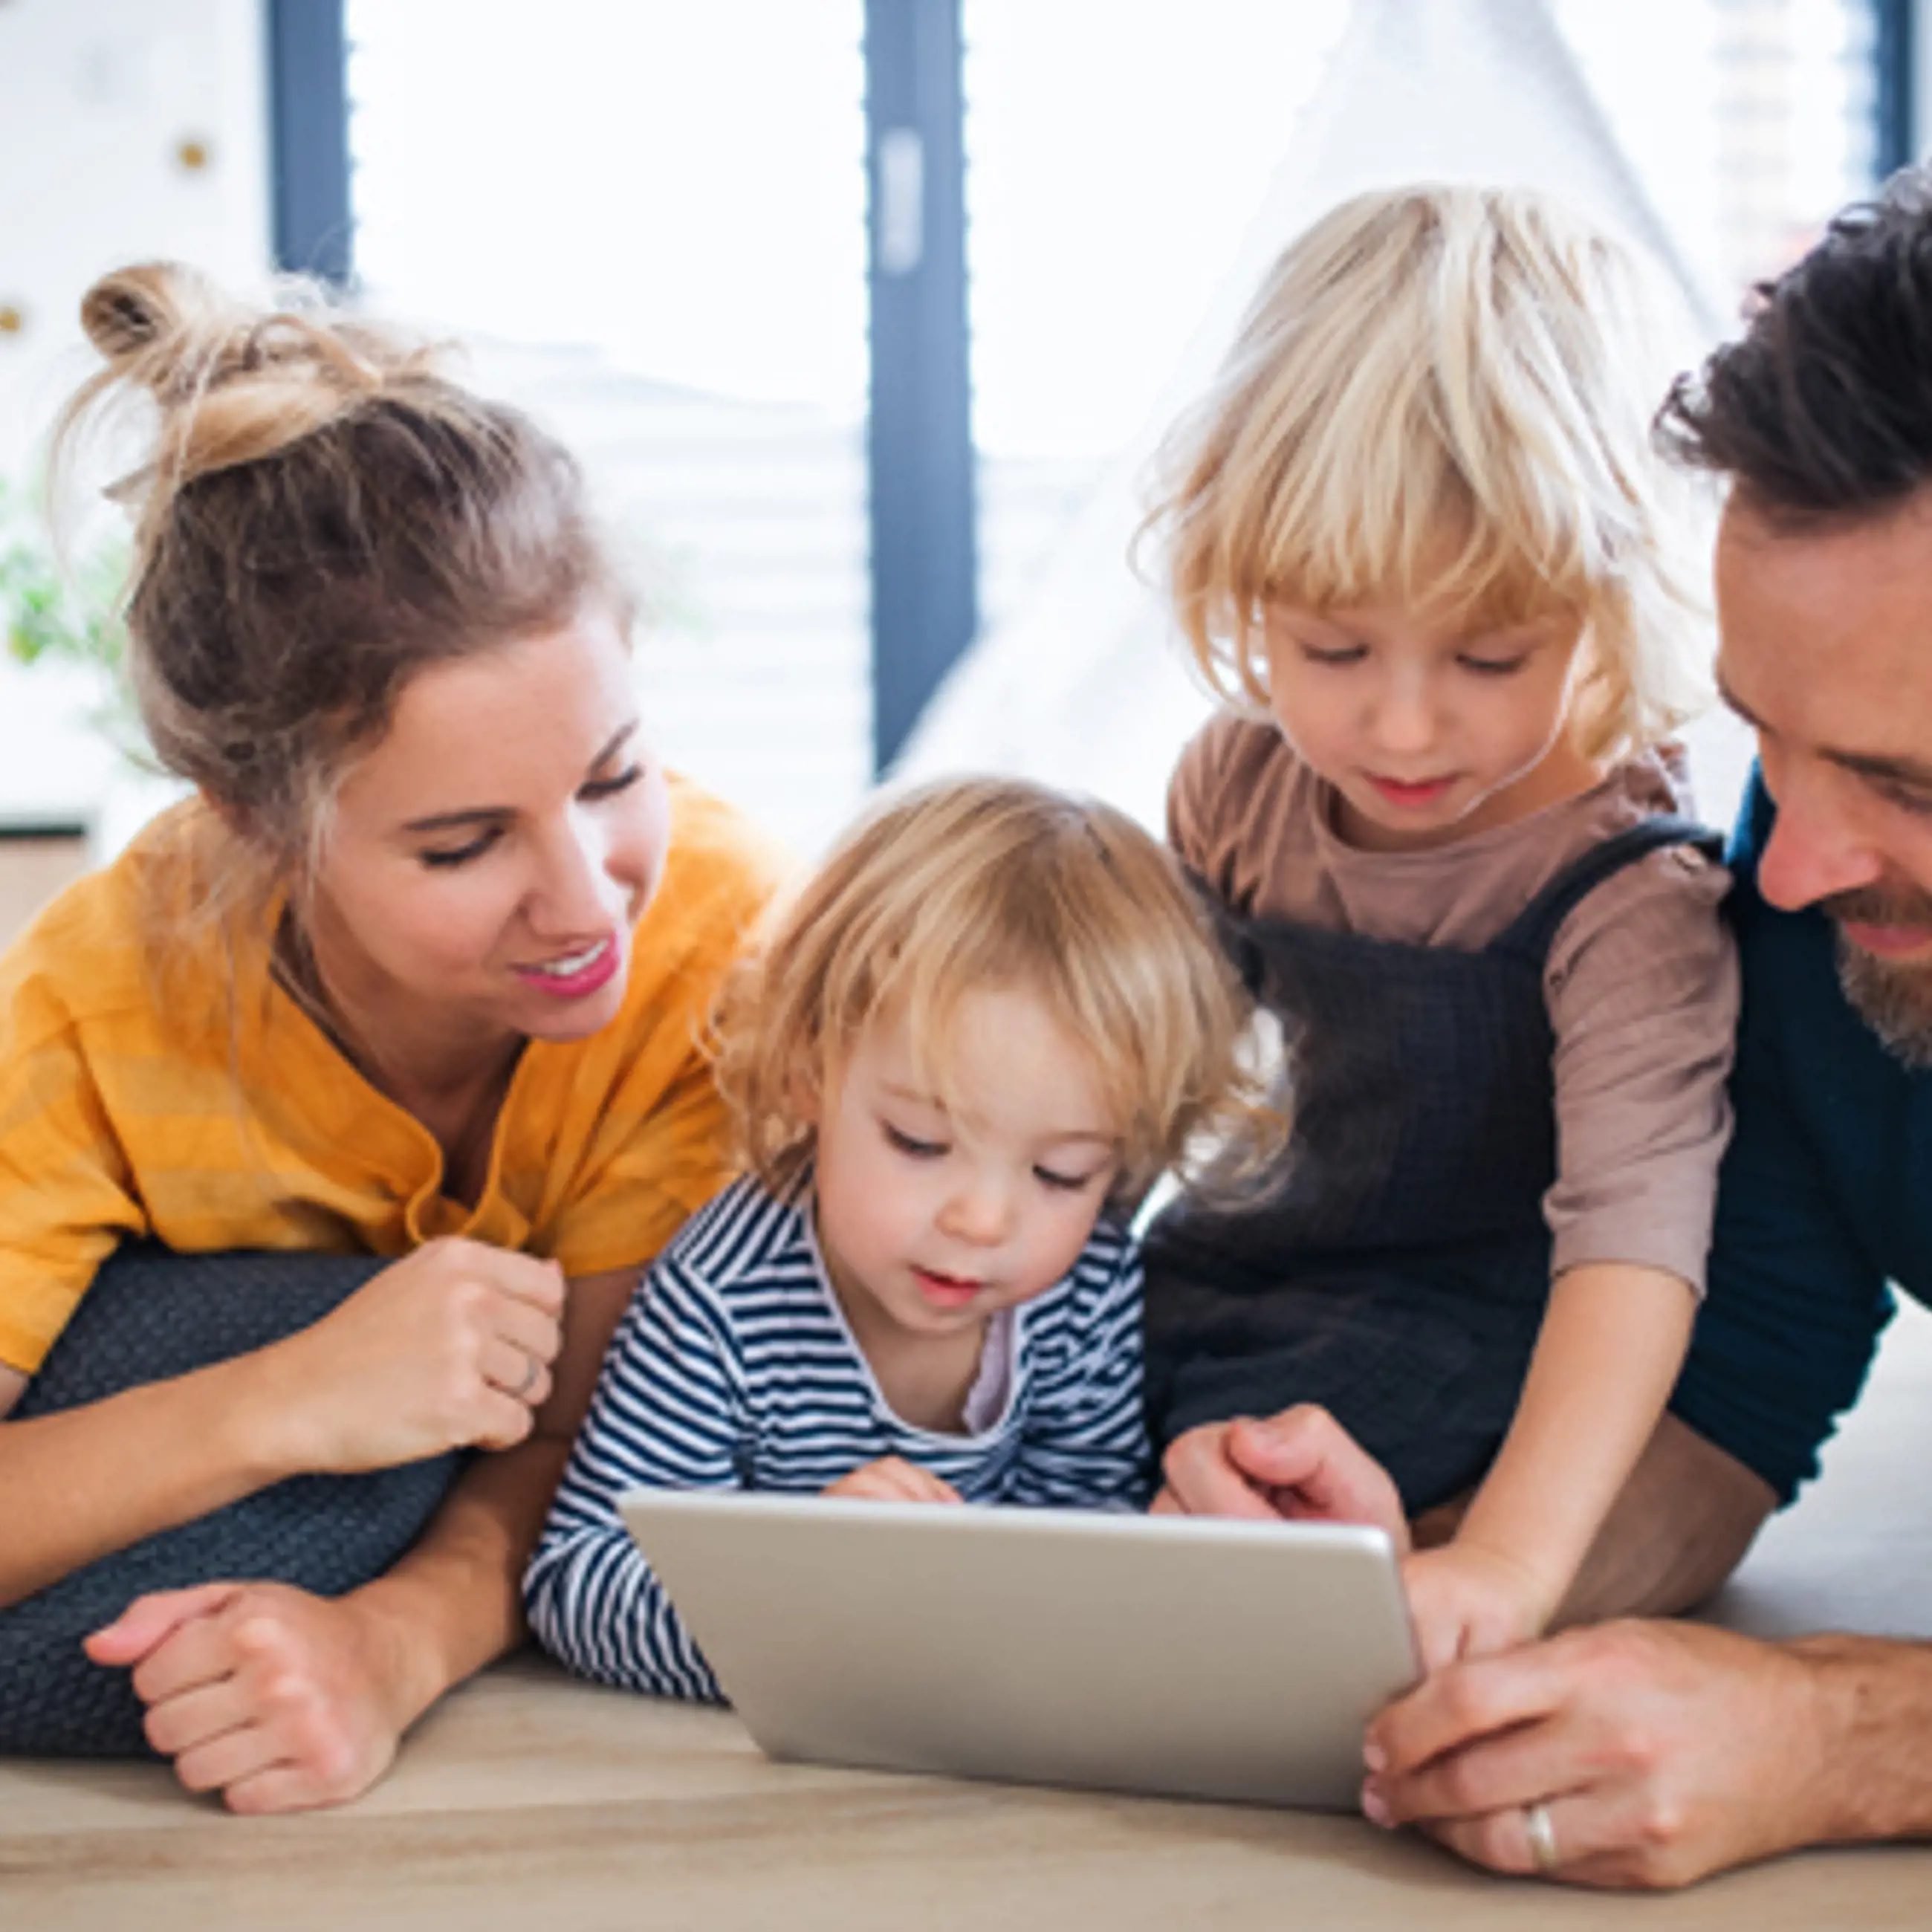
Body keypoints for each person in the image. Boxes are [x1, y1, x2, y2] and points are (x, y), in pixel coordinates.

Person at [0, 263, 778, 1809]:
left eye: (615, 774)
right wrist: (282, 1393)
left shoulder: (720, 944)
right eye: (462, 843)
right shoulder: (98, 1001)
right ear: (258, 825)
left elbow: (590, 1440)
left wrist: (388, 1648)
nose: (585, 903)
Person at [1343, 165, 1932, 1889]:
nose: (1793, 859)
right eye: (1773, 741)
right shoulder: (1808, 884)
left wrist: (1836, 1735)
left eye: (1901, 779)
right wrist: (1413, 1603)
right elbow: (1732, 1395)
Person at [1135, 184, 1740, 1673]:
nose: (1400, 724)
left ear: (1608, 600)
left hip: (1472, 1333)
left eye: (1487, 652)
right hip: (1237, 1269)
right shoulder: (1235, 781)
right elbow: (1126, 1077)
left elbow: (1633, 1250)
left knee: (1301, 1489)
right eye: (1329, 646)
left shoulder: (1629, 894)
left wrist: (1512, 1566)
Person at [523, 776, 1261, 1699]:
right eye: (919, 1142)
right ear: (807, 1069)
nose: (982, 1221)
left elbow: (1085, 1524)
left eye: (1061, 1173)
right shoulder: (721, 1296)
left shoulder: (1086, 1282)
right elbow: (578, 1580)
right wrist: (807, 1594)